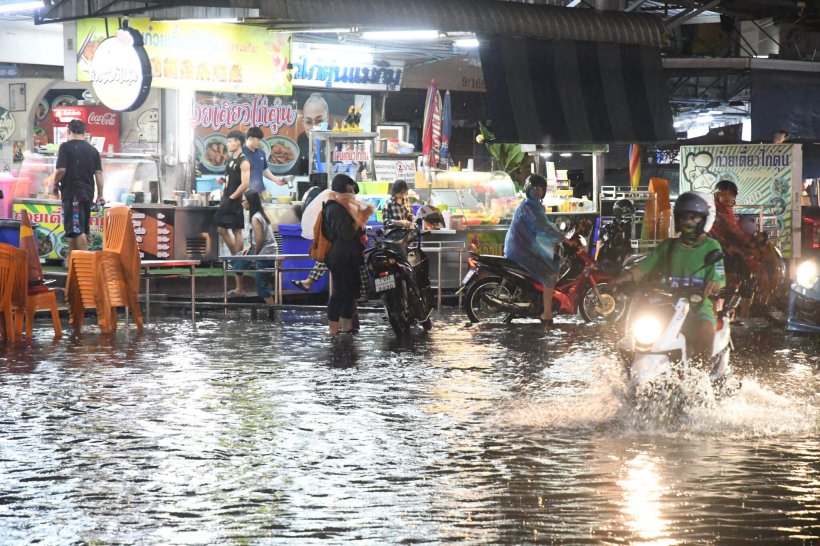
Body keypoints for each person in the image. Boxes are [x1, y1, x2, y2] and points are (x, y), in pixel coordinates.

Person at [613, 191, 726, 360]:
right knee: (634, 335)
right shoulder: (668, 246)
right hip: (666, 302)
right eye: (684, 218)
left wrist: (716, 284)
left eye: (693, 218)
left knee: (705, 330)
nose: (688, 222)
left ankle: (700, 374)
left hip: (698, 304)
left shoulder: (712, 247)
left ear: (705, 219)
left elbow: (719, 276)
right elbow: (643, 267)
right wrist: (619, 280)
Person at [503, 174, 568, 327]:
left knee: (549, 263)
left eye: (540, 189)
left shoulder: (533, 205)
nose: (538, 191)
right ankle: (547, 313)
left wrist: (559, 233)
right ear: (528, 189)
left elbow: (544, 224)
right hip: (521, 249)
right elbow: (541, 226)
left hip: (523, 246)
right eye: (534, 188)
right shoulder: (528, 207)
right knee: (549, 274)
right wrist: (561, 237)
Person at [322, 174, 374, 336]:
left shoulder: (344, 207)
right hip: (340, 257)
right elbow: (345, 233)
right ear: (342, 190)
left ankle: (347, 328)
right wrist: (360, 219)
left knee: (350, 292)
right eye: (350, 191)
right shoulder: (334, 208)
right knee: (339, 292)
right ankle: (333, 330)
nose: (352, 194)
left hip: (351, 256)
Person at [51, 119, 104, 265]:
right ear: (84, 133)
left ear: (68, 131)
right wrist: (100, 194)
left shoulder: (65, 147)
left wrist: (54, 184)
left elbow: (61, 170)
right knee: (77, 229)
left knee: (77, 229)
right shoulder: (93, 150)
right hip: (88, 193)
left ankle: (85, 265)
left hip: (73, 193)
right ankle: (72, 262)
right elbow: (98, 174)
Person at [709, 179, 770, 303]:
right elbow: (731, 231)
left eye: (731, 194)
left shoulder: (726, 210)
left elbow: (734, 231)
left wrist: (748, 240)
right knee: (745, 259)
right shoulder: (717, 211)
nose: (728, 197)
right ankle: (738, 293)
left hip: (723, 244)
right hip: (719, 245)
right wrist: (747, 242)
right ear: (717, 195)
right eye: (724, 194)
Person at [228, 190, 278, 302]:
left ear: (250, 202)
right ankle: (239, 289)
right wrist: (250, 247)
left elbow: (260, 239)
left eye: (244, 201)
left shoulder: (256, 218)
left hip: (265, 253)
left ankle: (274, 312)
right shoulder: (259, 215)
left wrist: (254, 257)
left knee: (261, 286)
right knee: (237, 262)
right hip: (264, 249)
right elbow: (258, 240)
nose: (242, 203)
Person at [215, 130, 250, 256]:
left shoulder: (244, 161)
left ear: (238, 142)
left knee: (237, 230)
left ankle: (237, 259)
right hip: (226, 196)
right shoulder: (230, 159)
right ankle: (236, 257)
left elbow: (245, 184)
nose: (228, 144)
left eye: (230, 141)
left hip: (233, 199)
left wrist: (232, 197)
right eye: (227, 141)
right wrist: (223, 180)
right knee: (221, 229)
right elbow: (233, 177)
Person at [596, 198, 634, 274]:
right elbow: (605, 245)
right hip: (609, 262)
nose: (628, 219)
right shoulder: (608, 228)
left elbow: (627, 247)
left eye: (630, 216)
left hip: (623, 260)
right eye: (626, 216)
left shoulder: (627, 228)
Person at [244, 127, 286, 196]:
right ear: (250, 138)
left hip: (260, 192)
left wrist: (275, 179)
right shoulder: (241, 153)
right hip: (244, 193)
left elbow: (264, 170)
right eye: (258, 140)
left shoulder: (261, 153)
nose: (259, 142)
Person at [295, 93, 329, 175]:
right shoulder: (301, 139)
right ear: (303, 123)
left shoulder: (334, 141)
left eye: (320, 121)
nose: (314, 128)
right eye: (308, 122)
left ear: (327, 120)